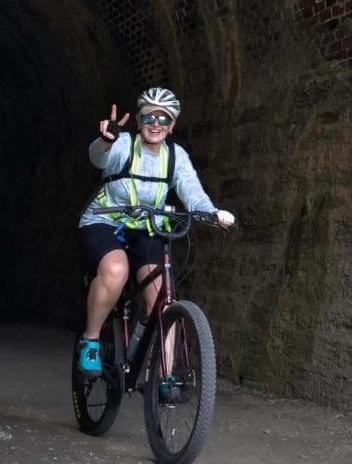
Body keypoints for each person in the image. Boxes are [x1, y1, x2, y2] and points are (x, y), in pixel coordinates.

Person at [77, 87, 235, 376]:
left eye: (164, 118)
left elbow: (192, 191)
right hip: (106, 221)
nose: (156, 123)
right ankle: (91, 340)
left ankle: (165, 375)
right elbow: (99, 158)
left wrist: (211, 213)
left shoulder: (176, 156)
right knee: (115, 270)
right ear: (138, 120)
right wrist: (105, 141)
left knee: (163, 297)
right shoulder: (123, 144)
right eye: (149, 116)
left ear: (172, 124)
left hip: (148, 228)